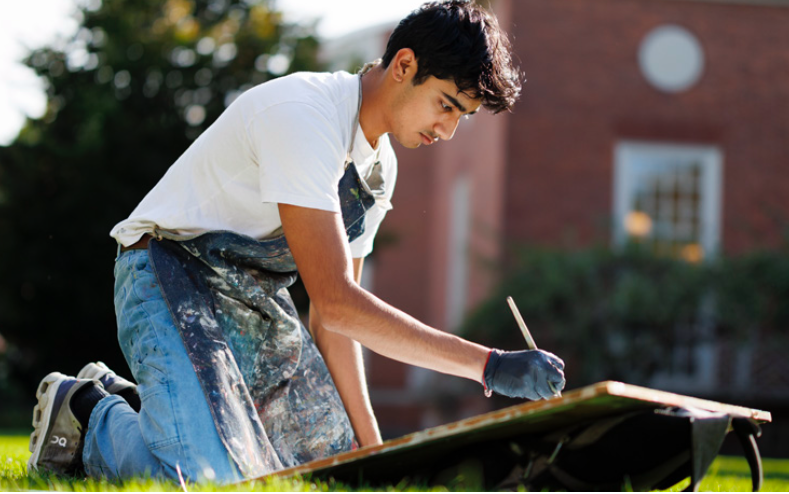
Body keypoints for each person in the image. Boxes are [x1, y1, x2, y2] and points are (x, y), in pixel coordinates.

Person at [27, 0, 565, 484]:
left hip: (254, 300)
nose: (447, 131)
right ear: (404, 65)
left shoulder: (380, 173)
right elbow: (335, 299)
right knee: (209, 477)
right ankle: (92, 412)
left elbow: (334, 324)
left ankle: (149, 406)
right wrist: (488, 365)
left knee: (318, 468)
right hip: (167, 273)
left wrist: (374, 455)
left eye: (461, 118)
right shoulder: (307, 116)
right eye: (446, 105)